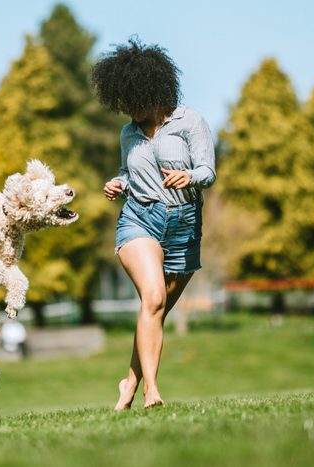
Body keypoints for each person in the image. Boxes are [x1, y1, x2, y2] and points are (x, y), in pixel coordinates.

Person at [89, 38, 216, 409]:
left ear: (152, 90)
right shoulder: (128, 133)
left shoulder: (189, 122)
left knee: (154, 310)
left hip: (184, 225)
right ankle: (151, 391)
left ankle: (128, 382)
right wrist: (119, 183)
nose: (128, 111)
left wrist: (189, 177)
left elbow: (208, 170)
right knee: (154, 298)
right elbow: (131, 174)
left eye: (132, 101)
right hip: (139, 219)